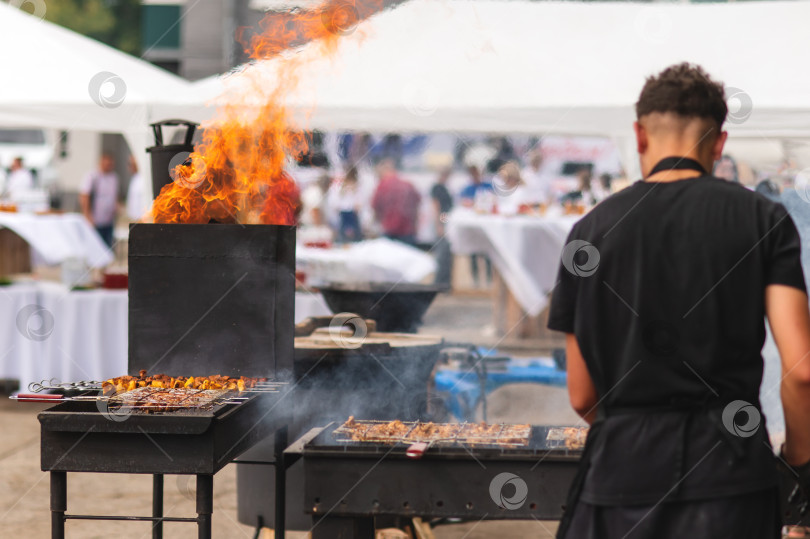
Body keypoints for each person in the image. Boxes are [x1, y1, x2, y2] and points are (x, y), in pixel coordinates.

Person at [548, 63, 810, 539]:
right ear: (719, 143)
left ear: (639, 136)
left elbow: (583, 395)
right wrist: (799, 465)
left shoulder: (588, 234)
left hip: (620, 478)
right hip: (732, 477)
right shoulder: (763, 219)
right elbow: (803, 372)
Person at [371, 159, 420, 245]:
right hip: (408, 231)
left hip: (389, 231)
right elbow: (417, 205)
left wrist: (373, 226)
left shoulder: (382, 186)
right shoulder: (408, 185)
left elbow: (375, 206)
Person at [80, 153, 119, 247]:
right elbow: (85, 196)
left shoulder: (114, 177)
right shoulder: (92, 177)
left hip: (109, 220)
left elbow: (115, 196)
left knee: (107, 247)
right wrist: (88, 216)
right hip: (95, 220)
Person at [430, 167, 454, 286]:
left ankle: (445, 281)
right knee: (441, 252)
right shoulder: (437, 188)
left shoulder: (445, 188)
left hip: (446, 219)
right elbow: (437, 208)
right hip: (442, 219)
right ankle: (440, 282)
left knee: (446, 253)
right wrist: (440, 224)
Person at [335, 167, 363, 242]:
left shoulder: (356, 187)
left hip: (351, 212)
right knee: (346, 234)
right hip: (345, 213)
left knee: (352, 234)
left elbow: (358, 202)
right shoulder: (342, 187)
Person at [125, 155, 148, 220]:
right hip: (134, 219)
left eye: (132, 164)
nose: (130, 167)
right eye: (129, 164)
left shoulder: (143, 178)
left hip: (142, 219)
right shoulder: (134, 178)